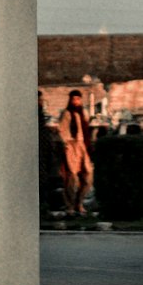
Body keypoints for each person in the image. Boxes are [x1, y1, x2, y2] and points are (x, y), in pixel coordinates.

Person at [57, 89, 95, 217]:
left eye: (78, 99)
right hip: (71, 145)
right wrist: (67, 146)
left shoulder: (83, 112)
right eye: (74, 99)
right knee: (72, 178)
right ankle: (70, 206)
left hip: (83, 146)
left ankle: (79, 203)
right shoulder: (67, 114)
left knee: (88, 176)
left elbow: (87, 130)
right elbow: (62, 131)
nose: (76, 101)